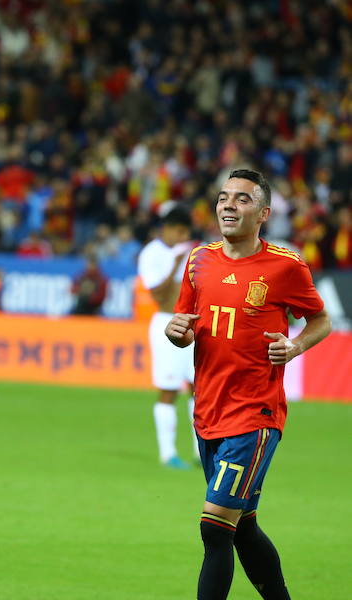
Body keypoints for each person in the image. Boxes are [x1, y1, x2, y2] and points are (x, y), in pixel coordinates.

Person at [165, 169, 331, 600]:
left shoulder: (285, 266)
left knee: (214, 528)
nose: (228, 206)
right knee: (243, 526)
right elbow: (185, 324)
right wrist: (176, 332)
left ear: (263, 214)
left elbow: (321, 320)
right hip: (208, 412)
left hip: (255, 414)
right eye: (223, 198)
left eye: (241, 199)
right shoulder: (199, 260)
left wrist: (294, 347)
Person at [137, 206, 197, 469]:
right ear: (167, 228)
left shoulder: (193, 251)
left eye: (186, 233)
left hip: (193, 324)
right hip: (166, 323)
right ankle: (168, 453)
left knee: (201, 390)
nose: (183, 237)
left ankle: (200, 453)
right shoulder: (152, 254)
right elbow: (158, 296)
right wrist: (174, 265)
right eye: (179, 231)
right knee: (169, 390)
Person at [70, 251, 108, 315]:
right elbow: (72, 290)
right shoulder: (81, 276)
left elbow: (101, 297)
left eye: (91, 264)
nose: (89, 266)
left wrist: (89, 296)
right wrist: (80, 291)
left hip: (94, 308)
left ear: (96, 265)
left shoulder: (101, 279)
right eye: (88, 264)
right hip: (80, 307)